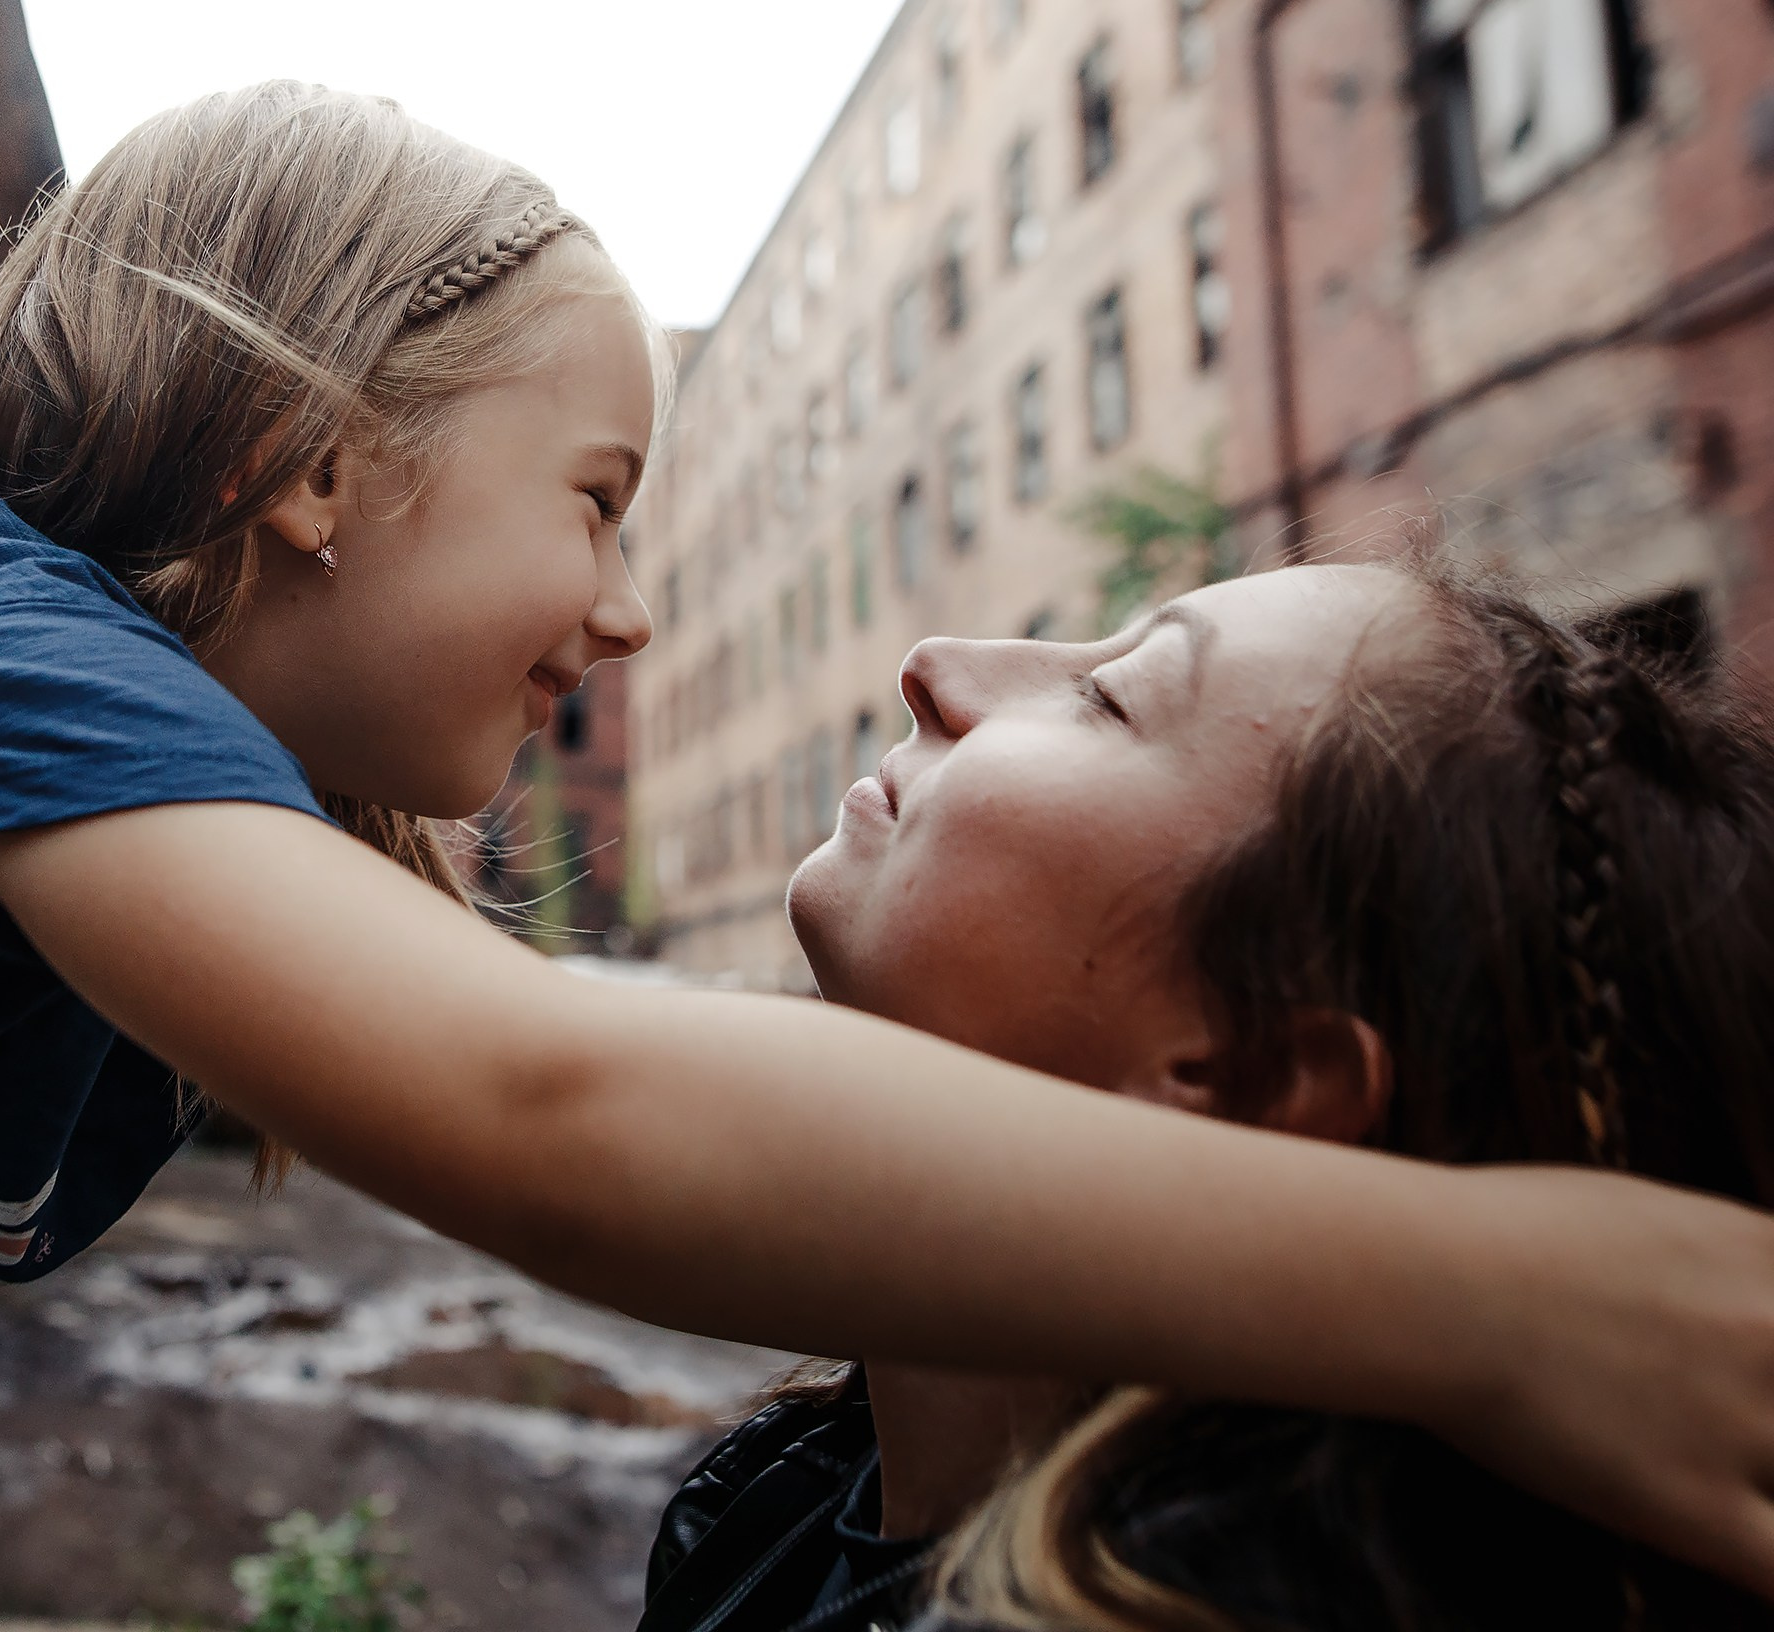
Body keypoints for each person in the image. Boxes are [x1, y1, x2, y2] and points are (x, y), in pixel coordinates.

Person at [0, 82, 1774, 1600]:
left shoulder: (185, 803)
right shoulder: (0, 652)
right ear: (314, 467)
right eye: (596, 495)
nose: (629, 608)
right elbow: (556, 1100)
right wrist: (1488, 1298)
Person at [640, 560, 1774, 1630]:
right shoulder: (785, 1496)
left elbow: (529, 1094)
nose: (936, 662)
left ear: (1249, 1075)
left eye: (1107, 696)